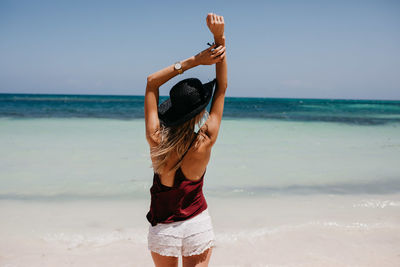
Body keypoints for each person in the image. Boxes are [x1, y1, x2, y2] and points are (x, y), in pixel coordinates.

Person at [144, 13, 227, 267]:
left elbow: (151, 83)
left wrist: (193, 61)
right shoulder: (205, 140)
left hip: (163, 232)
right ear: (200, 112)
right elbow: (222, 87)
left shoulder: (156, 139)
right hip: (196, 226)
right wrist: (219, 38)